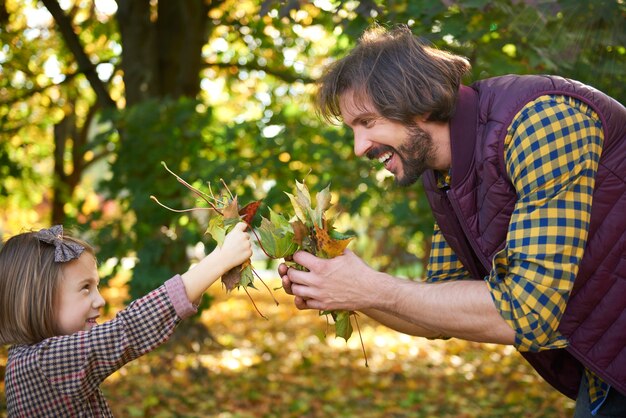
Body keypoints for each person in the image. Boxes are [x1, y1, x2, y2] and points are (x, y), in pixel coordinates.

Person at [279, 25, 626, 417]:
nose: (359, 147)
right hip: (604, 373)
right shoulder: (445, 170)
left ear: (417, 102)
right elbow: (439, 312)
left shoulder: (541, 121)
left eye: (368, 122)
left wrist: (369, 288)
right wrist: (343, 288)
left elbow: (528, 313)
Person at [0, 223, 252, 416]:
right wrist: (220, 259)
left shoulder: (27, 359)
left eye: (96, 286)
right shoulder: (43, 364)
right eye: (85, 288)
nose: (100, 301)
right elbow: (127, 331)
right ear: (37, 299)